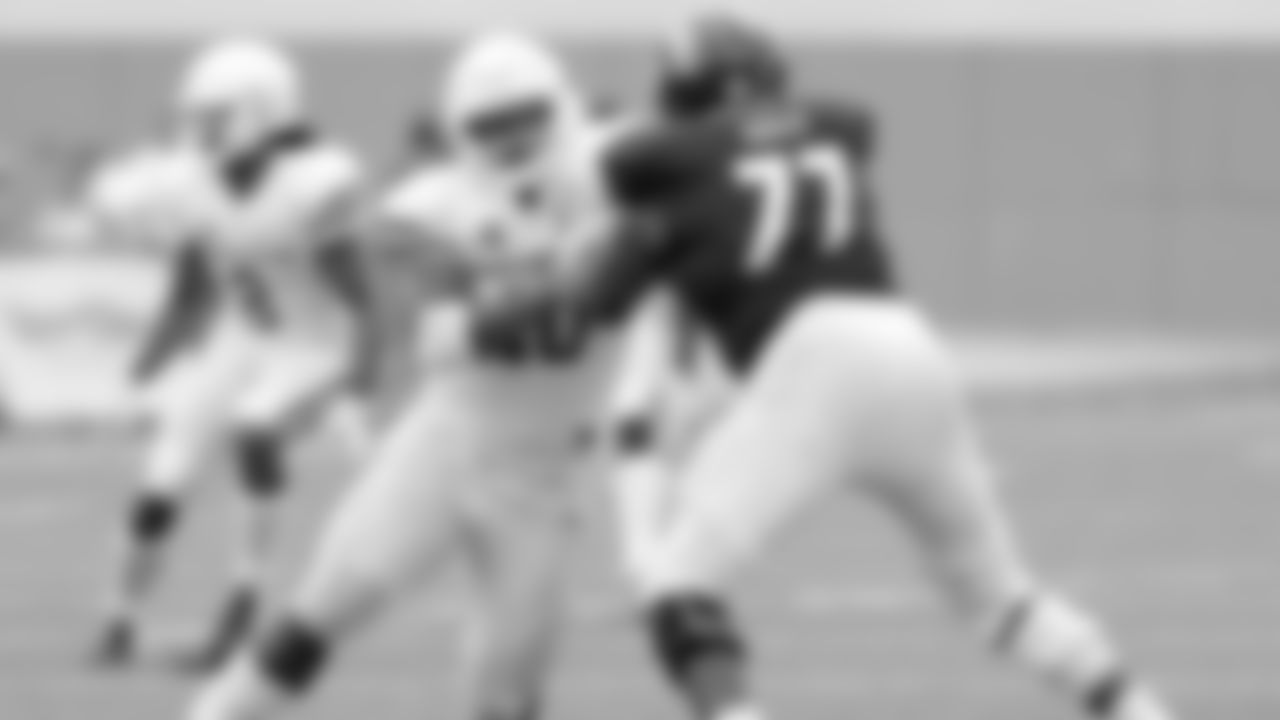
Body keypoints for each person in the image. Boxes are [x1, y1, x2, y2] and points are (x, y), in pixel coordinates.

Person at [565, 14, 1181, 720]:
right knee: (1001, 599)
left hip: (812, 368)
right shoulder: (833, 130)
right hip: (909, 352)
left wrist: (543, 287)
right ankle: (1138, 708)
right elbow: (827, 129)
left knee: (676, 589)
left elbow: (586, 309)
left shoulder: (660, 172)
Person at [185, 30, 619, 720]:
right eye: (490, 124)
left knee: (508, 696)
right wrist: (499, 302)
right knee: (316, 617)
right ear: (459, 130)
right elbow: (423, 322)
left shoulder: (621, 181)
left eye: (525, 115)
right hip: (442, 449)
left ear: (561, 104)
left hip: (544, 478)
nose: (510, 138)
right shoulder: (430, 208)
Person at [92, 35, 378, 673]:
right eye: (199, 115)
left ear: (265, 110)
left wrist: (363, 371)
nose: (202, 129)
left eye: (217, 115)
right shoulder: (192, 186)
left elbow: (363, 295)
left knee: (254, 430)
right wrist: (143, 369)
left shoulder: (312, 184)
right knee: (159, 485)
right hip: (240, 342)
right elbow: (190, 292)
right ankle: (119, 620)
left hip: (310, 345)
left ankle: (245, 603)